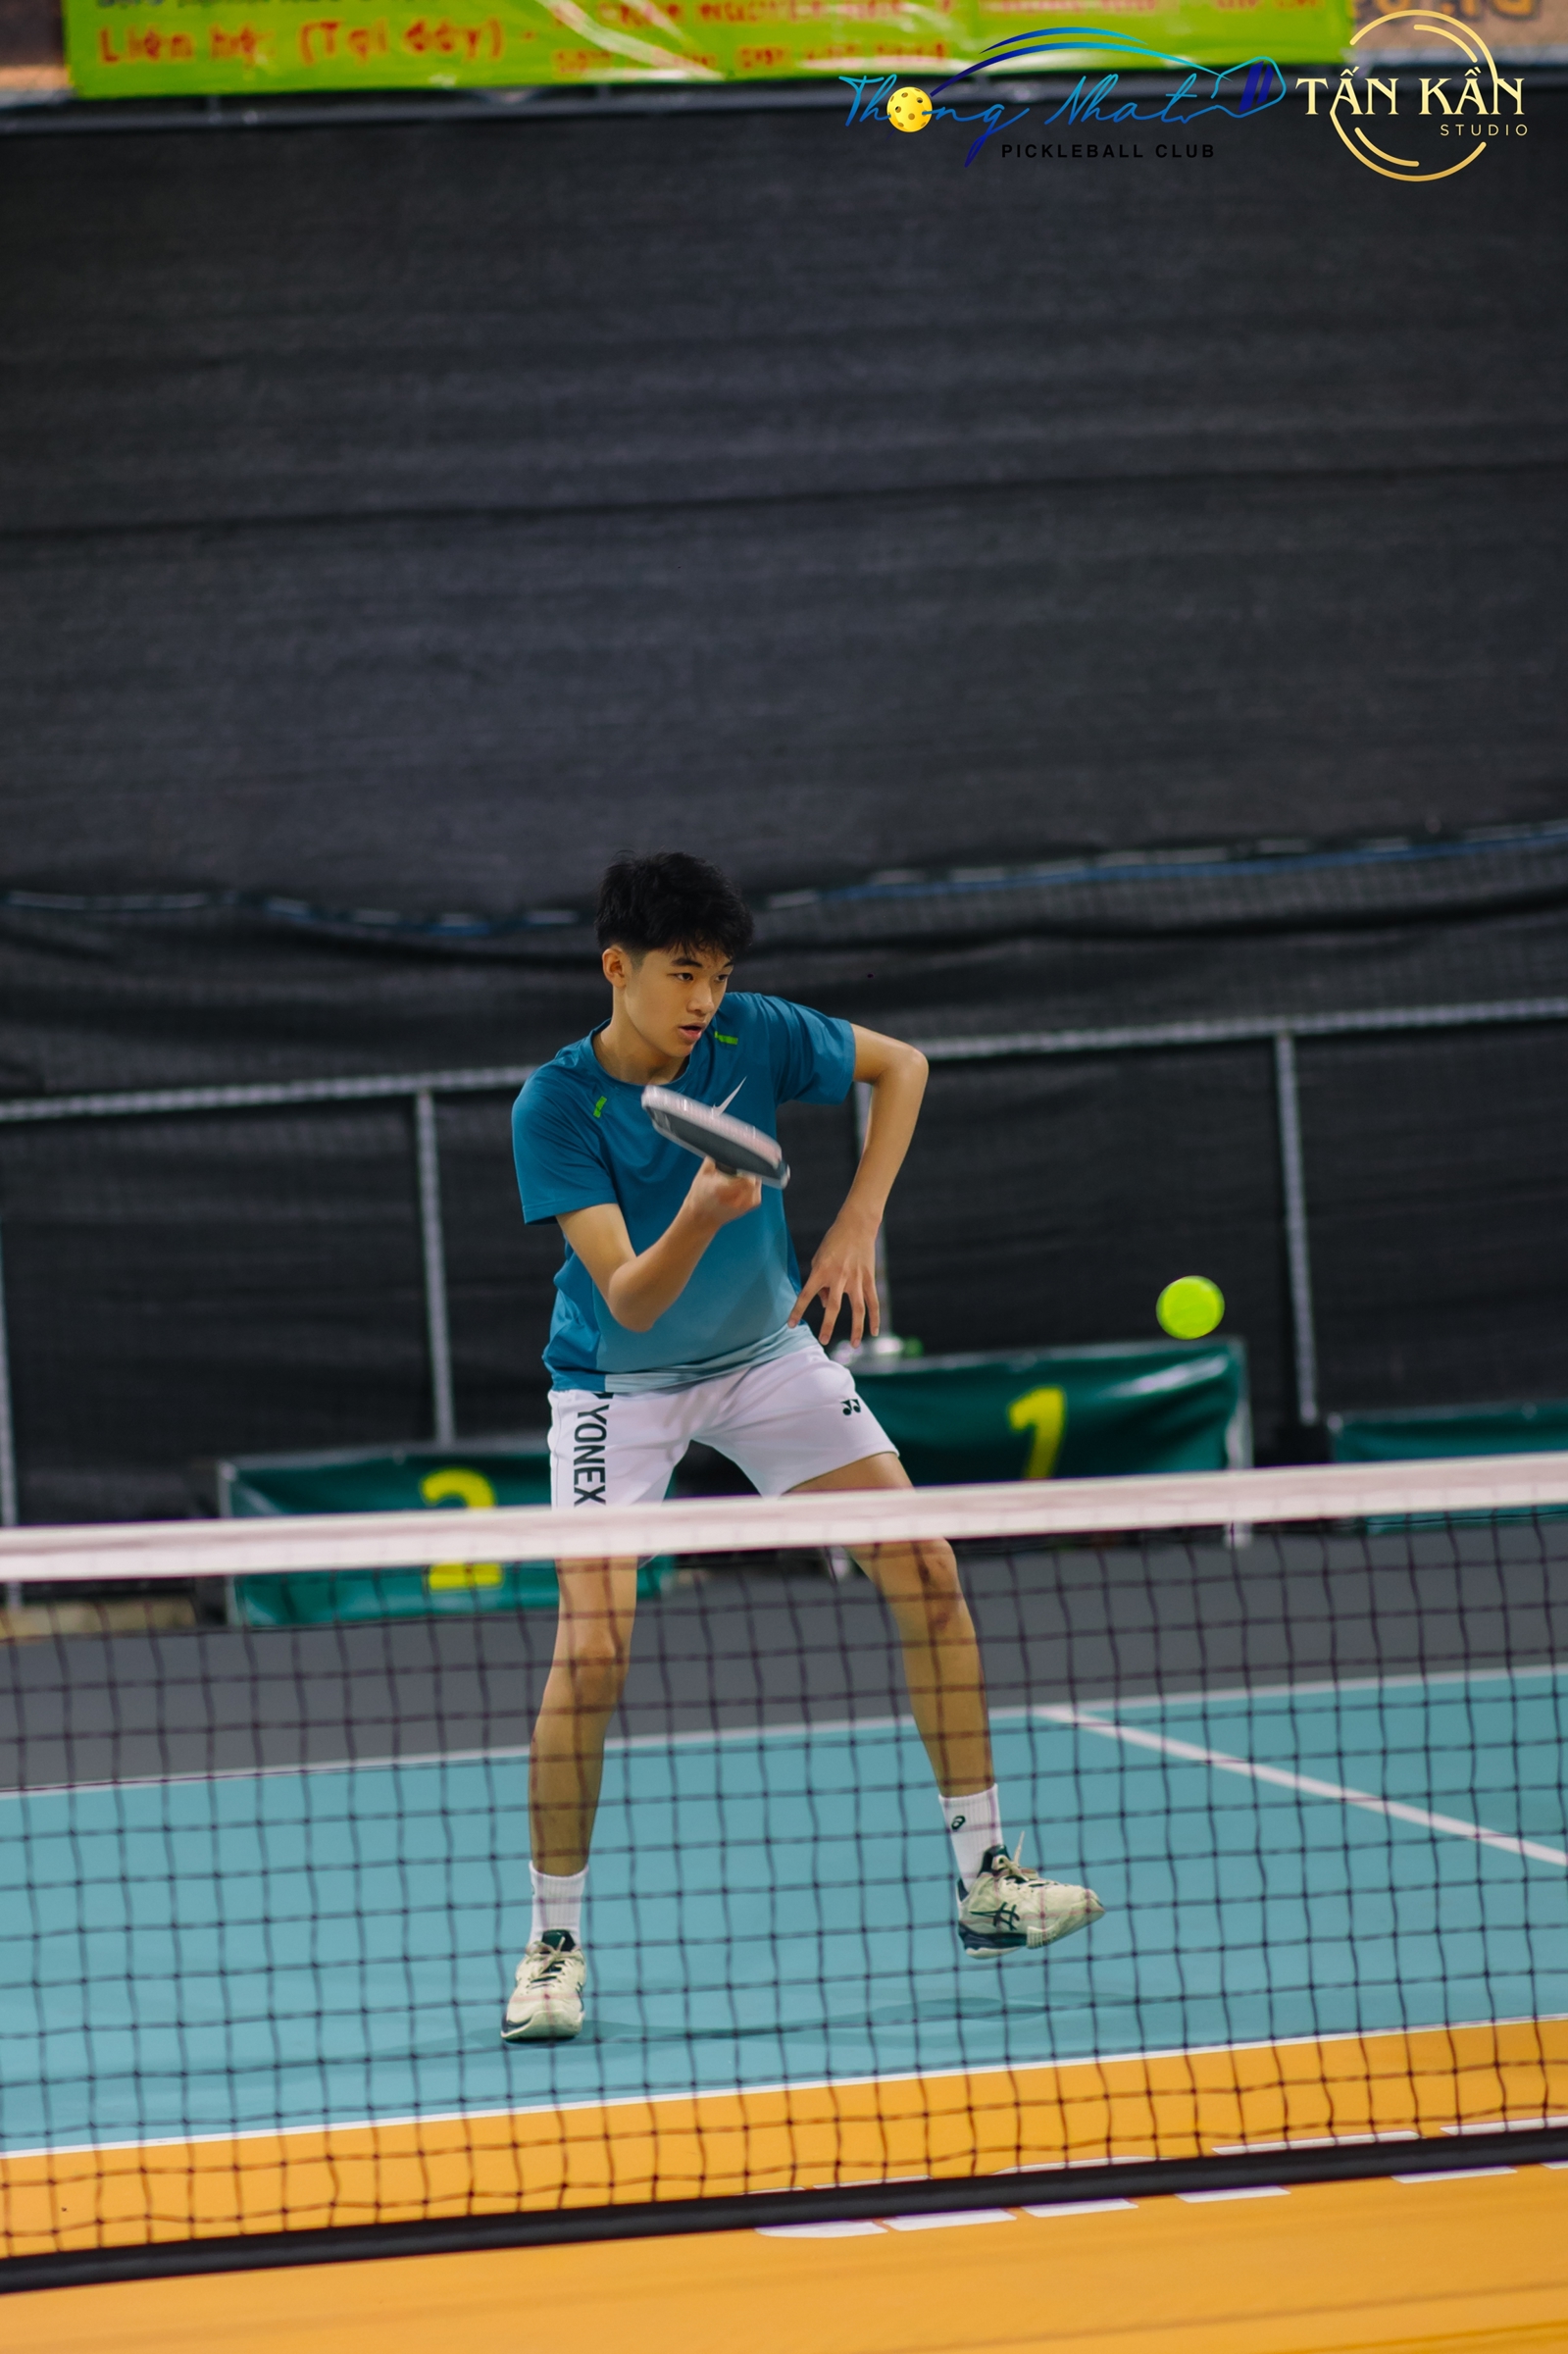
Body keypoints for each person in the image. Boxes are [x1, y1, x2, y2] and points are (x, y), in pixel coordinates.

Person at [502, 851, 1103, 2042]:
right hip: (615, 1389)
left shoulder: (756, 1034)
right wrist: (700, 1213)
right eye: (683, 973)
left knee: (924, 1567)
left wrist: (857, 1221)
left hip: (764, 1358)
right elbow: (628, 1299)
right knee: (594, 1650)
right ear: (617, 967)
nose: (704, 1000)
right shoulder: (557, 1105)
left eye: (719, 976)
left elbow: (903, 1065)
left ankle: (988, 1882)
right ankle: (551, 1947)